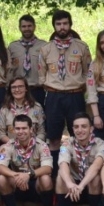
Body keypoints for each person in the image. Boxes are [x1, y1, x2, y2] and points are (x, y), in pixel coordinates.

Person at [38, 10, 92, 153]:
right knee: (54, 137)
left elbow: (88, 73)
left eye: (65, 23)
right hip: (54, 97)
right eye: (58, 24)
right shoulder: (46, 49)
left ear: (70, 25)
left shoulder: (82, 47)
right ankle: (55, 170)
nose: (62, 27)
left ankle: (78, 169)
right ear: (54, 26)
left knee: (79, 135)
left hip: (75, 96)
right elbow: (42, 75)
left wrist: (80, 88)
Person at [0, 114, 54, 206]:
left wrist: (28, 175)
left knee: (46, 178)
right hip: (17, 183)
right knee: (2, 178)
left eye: (24, 128)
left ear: (31, 129)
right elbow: (0, 167)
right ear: (13, 130)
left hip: (35, 183)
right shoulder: (9, 146)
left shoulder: (41, 145)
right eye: (17, 128)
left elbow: (48, 168)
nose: (20, 131)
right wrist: (15, 175)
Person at [54, 113, 104, 206]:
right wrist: (69, 183)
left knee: (95, 179)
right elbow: (63, 164)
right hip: (71, 191)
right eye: (76, 127)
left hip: (91, 189)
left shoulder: (101, 144)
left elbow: (96, 166)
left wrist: (81, 186)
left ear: (91, 129)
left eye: (84, 126)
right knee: (61, 177)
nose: (80, 130)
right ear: (72, 129)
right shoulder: (67, 144)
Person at [7, 14, 47, 105]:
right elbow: (9, 69)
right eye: (24, 26)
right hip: (18, 90)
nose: (27, 29)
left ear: (34, 27)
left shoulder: (43, 45)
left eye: (29, 26)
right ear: (20, 28)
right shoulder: (13, 46)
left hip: (37, 89)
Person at [0, 77, 46, 144]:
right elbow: (1, 133)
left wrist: (32, 144)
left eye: (20, 86)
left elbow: (42, 132)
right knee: (2, 151)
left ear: (26, 89)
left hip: (34, 146)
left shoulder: (37, 108)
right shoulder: (5, 109)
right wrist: (14, 144)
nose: (17, 90)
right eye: (13, 87)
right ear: (10, 90)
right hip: (12, 146)